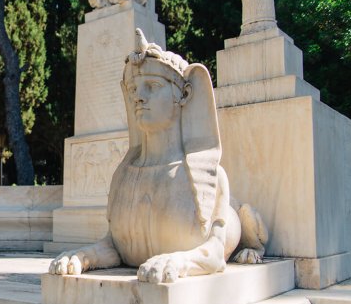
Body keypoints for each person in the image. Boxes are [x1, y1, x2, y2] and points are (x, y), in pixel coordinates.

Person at [49, 30, 267, 283]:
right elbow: (117, 246)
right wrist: (85, 256)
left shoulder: (213, 176)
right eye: (133, 89)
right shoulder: (124, 174)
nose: (138, 97)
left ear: (184, 95)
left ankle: (256, 247)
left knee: (247, 217)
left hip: (227, 239)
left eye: (152, 86)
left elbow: (216, 254)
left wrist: (179, 261)